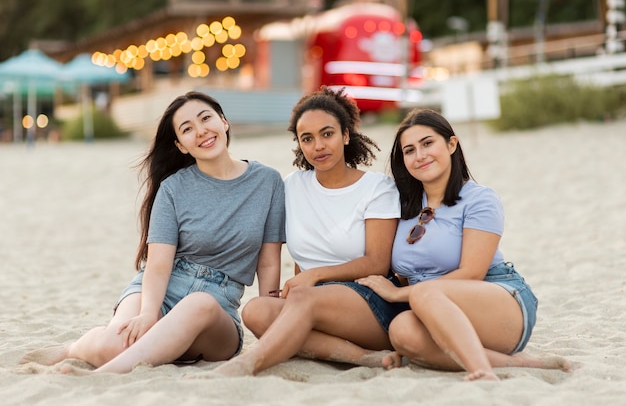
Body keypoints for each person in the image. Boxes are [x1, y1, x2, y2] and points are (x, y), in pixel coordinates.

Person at [20, 91, 285, 373]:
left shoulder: (267, 181)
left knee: (200, 304)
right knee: (115, 343)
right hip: (161, 289)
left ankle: (104, 374)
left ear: (224, 122)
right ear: (181, 146)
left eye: (206, 118)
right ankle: (72, 349)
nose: (201, 131)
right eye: (187, 129)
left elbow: (268, 260)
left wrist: (270, 320)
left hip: (216, 310)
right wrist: (148, 314)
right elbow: (159, 264)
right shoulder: (173, 188)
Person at [355, 108, 570, 381]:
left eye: (427, 143)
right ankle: (518, 364)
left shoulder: (480, 199)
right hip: (433, 309)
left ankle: (481, 371)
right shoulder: (403, 205)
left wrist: (398, 294)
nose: (419, 155)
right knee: (401, 332)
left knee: (423, 293)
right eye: (409, 150)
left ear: (452, 144)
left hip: (496, 297)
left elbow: (472, 274)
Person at [214, 86, 404, 376]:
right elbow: (301, 255)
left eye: (327, 134)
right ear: (299, 144)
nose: (318, 146)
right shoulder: (292, 186)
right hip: (312, 302)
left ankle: (246, 364)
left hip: (368, 302)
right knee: (256, 311)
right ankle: (364, 357)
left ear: (346, 135)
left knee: (303, 296)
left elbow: (377, 262)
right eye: (307, 138)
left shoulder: (377, 188)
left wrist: (314, 276)